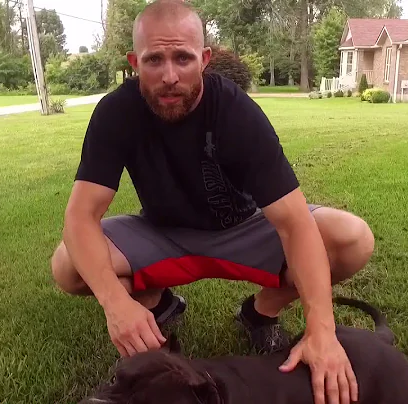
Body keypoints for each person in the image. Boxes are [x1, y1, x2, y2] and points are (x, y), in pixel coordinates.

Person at [51, 1, 374, 403]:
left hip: (242, 229)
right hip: (161, 233)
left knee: (352, 238)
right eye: (155, 60)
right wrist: (115, 302)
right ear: (135, 62)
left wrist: (322, 331)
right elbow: (81, 215)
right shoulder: (116, 111)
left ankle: (260, 313)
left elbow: (293, 222)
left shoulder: (235, 110)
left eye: (183, 58)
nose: (170, 75)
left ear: (204, 59)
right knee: (68, 265)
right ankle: (158, 305)